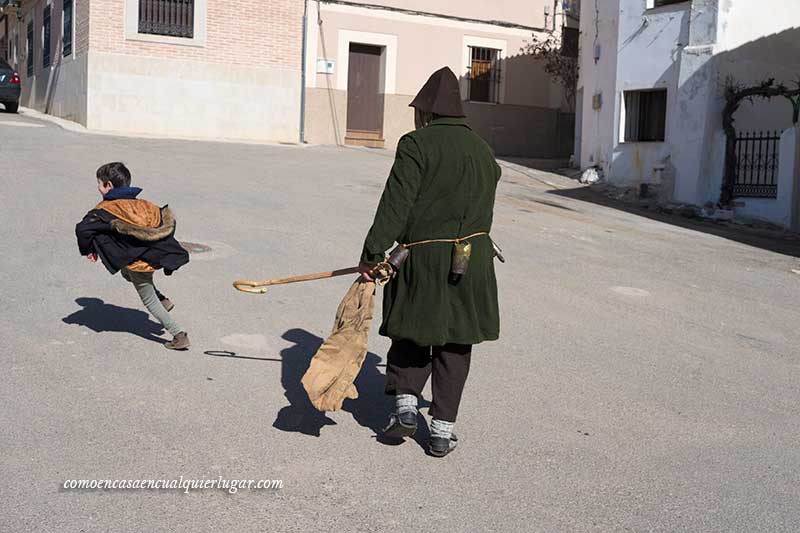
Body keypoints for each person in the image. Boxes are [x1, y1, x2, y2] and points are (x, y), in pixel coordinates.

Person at [359, 67, 501, 457]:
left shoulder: (416, 144)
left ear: (426, 111)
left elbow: (396, 203)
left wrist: (372, 253)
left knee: (411, 329)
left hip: (422, 254)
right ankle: (441, 430)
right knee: (456, 343)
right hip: (473, 260)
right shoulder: (482, 149)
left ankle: (406, 406)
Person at [75, 162, 191, 350]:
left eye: (99, 183)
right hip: (154, 256)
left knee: (148, 300)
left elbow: (83, 229)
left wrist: (89, 250)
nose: (98, 187)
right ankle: (162, 299)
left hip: (137, 262)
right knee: (125, 273)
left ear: (109, 186)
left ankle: (179, 335)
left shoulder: (106, 209)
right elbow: (166, 223)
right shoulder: (146, 205)